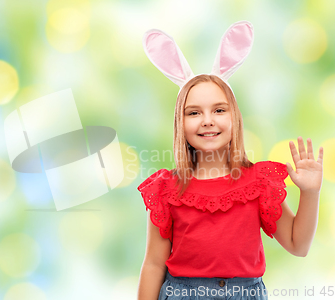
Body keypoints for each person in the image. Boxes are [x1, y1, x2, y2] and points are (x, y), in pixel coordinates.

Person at [137, 21, 324, 300]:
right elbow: (153, 264)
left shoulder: (258, 183)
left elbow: (298, 245)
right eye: (194, 113)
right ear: (180, 123)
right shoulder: (166, 189)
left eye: (219, 110)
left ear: (234, 118)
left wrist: (310, 193)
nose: (208, 121)